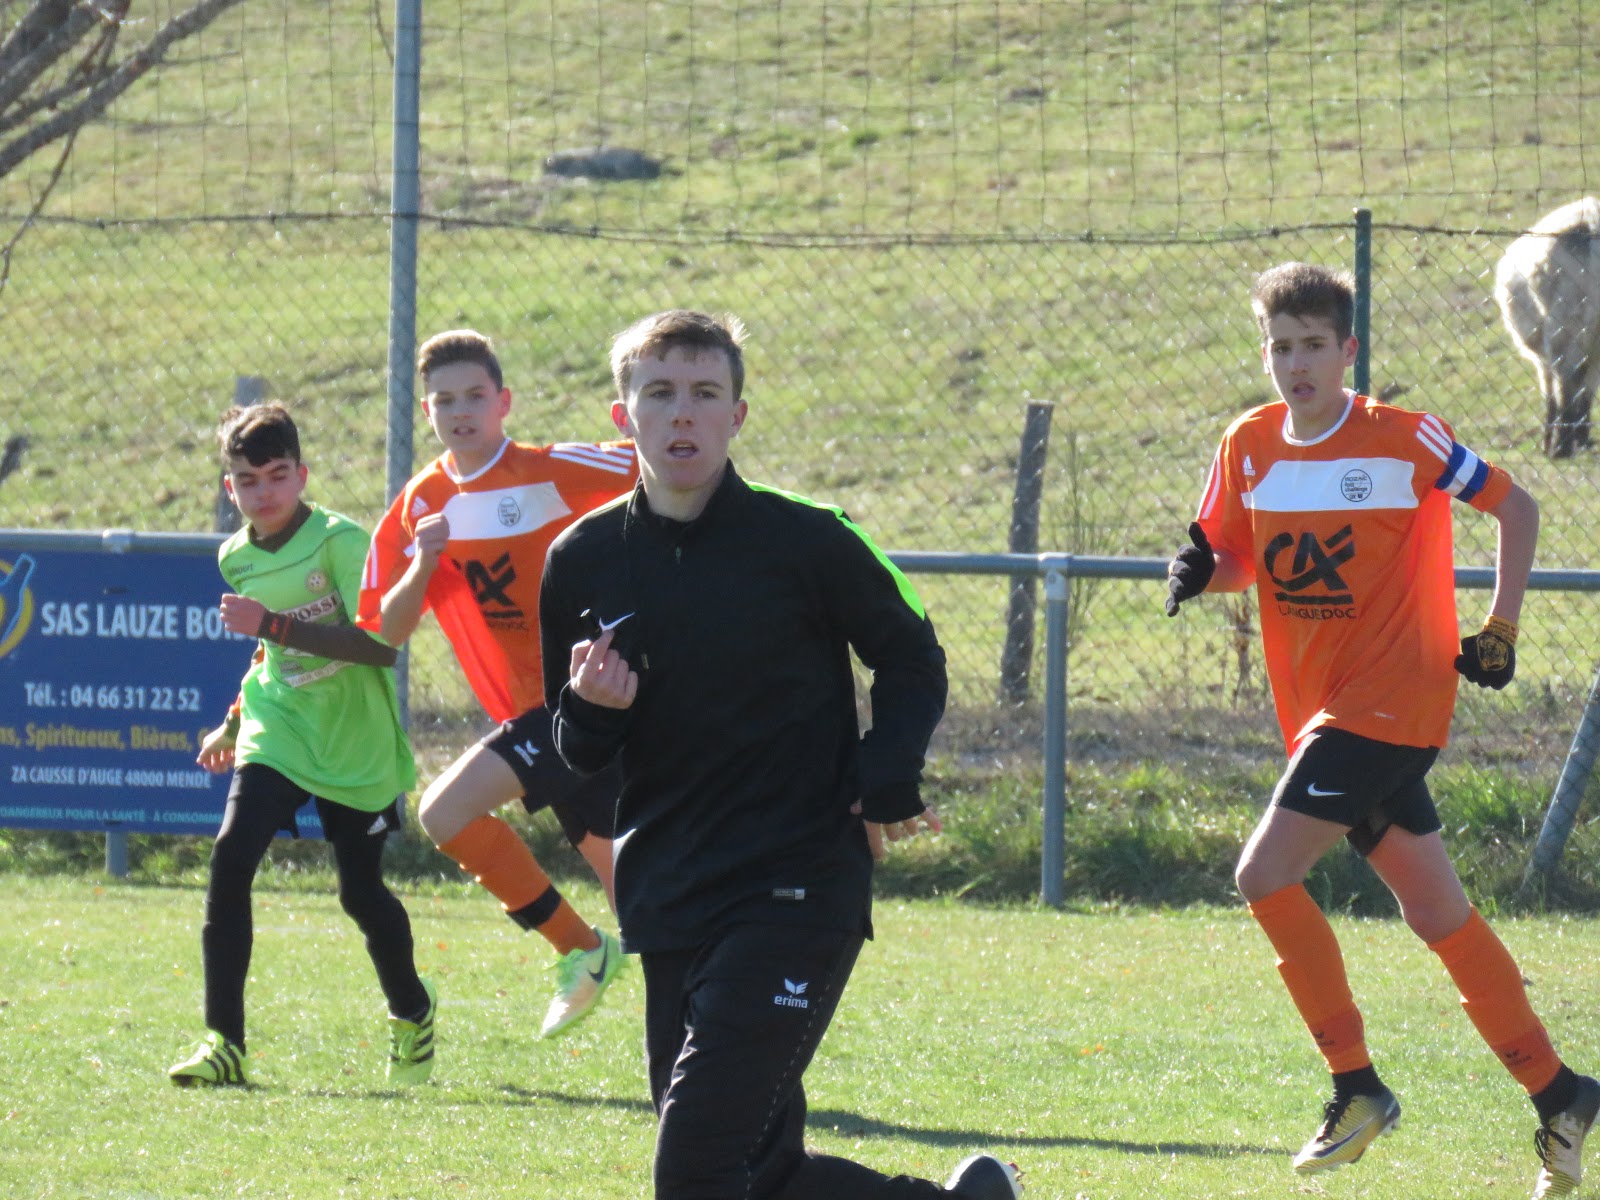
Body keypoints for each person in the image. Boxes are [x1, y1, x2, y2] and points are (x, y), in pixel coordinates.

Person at [538, 309, 1021, 1200]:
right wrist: (591, 710)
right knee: (759, 1174)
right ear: (622, 416)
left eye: (705, 393)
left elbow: (913, 655)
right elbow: (574, 751)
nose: (683, 413)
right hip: (669, 894)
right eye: (660, 393)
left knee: (695, 1169)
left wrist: (886, 774)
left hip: (796, 884)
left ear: (738, 415)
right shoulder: (581, 557)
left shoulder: (811, 537)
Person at [1165, 261, 1597, 1198]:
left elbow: (1516, 506)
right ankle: (1562, 1095)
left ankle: (1356, 1087)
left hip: (1392, 703)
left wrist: (1501, 628)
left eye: (1314, 346)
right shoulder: (1247, 446)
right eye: (1281, 348)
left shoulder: (1405, 439)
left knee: (1262, 874)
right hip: (1322, 715)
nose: (1297, 364)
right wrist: (1202, 574)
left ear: (1347, 351)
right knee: (1437, 914)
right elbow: (1241, 559)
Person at [358, 329, 634, 1038]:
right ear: (427, 412)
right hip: (535, 713)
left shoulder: (551, 469)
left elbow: (672, 467)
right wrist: (423, 563)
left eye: (475, 396)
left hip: (590, 699)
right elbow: (387, 631)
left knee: (444, 811)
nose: (461, 411)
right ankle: (598, 959)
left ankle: (596, 959)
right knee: (639, 899)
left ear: (503, 401)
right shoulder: (422, 503)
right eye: (444, 400)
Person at [170, 402, 436, 1087]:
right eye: (247, 480)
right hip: (280, 724)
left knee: (360, 894)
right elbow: (267, 655)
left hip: (353, 738)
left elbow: (378, 647)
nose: (264, 492)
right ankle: (224, 1043)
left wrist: (275, 625)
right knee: (231, 858)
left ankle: (412, 1012)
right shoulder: (235, 558)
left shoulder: (340, 542)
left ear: (302, 474)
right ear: (230, 488)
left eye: (278, 475)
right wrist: (234, 722)